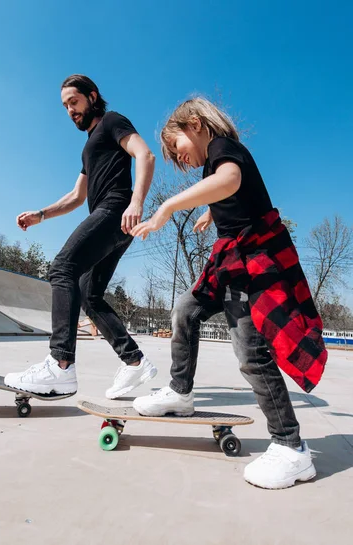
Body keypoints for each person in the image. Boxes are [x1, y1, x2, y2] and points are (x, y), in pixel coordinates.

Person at [130, 97, 327, 489]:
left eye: (176, 146)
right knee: (185, 310)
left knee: (250, 353)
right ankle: (180, 392)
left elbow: (231, 180)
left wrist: (169, 205)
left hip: (251, 264)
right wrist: (210, 209)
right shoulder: (213, 161)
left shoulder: (224, 148)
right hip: (229, 260)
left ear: (196, 124)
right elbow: (227, 190)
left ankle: (291, 447)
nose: (177, 158)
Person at [4, 75, 157, 399]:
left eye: (74, 102)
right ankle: (134, 361)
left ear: (92, 96)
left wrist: (136, 201)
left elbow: (145, 155)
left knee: (62, 268)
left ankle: (60, 365)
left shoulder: (113, 122)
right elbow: (76, 195)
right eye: (65, 106)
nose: (70, 110)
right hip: (110, 217)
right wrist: (41, 214)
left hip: (117, 209)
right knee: (89, 293)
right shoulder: (89, 146)